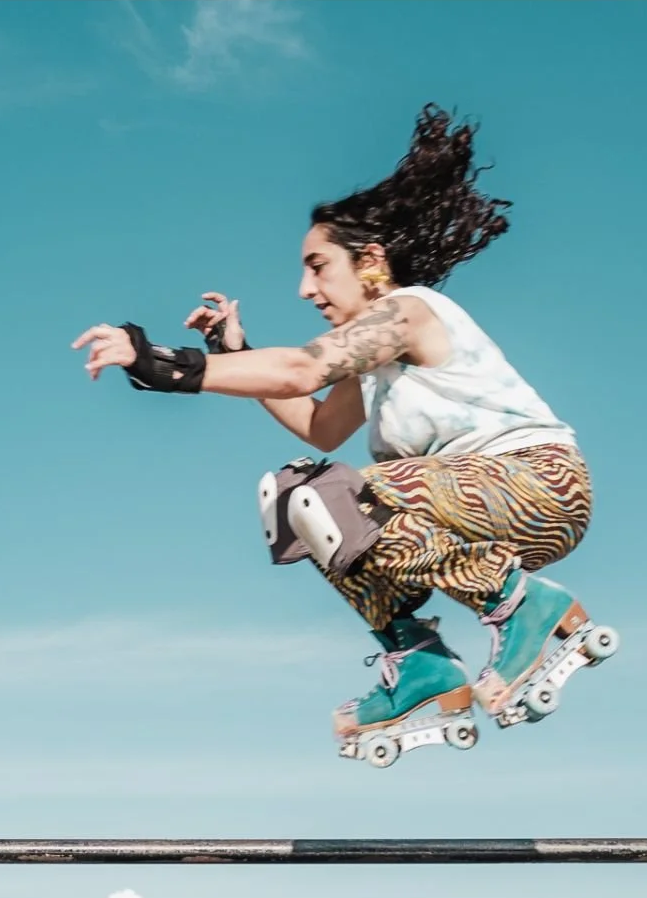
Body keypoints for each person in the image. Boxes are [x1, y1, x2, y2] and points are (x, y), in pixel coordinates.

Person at [71, 103, 597, 750]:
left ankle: (521, 605)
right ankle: (421, 664)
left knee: (341, 492)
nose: (302, 288)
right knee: (295, 494)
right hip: (477, 503)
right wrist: (235, 354)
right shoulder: (373, 355)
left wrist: (164, 365)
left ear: (370, 260)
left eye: (317, 266)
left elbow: (299, 369)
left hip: (537, 481)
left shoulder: (408, 312)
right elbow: (318, 426)